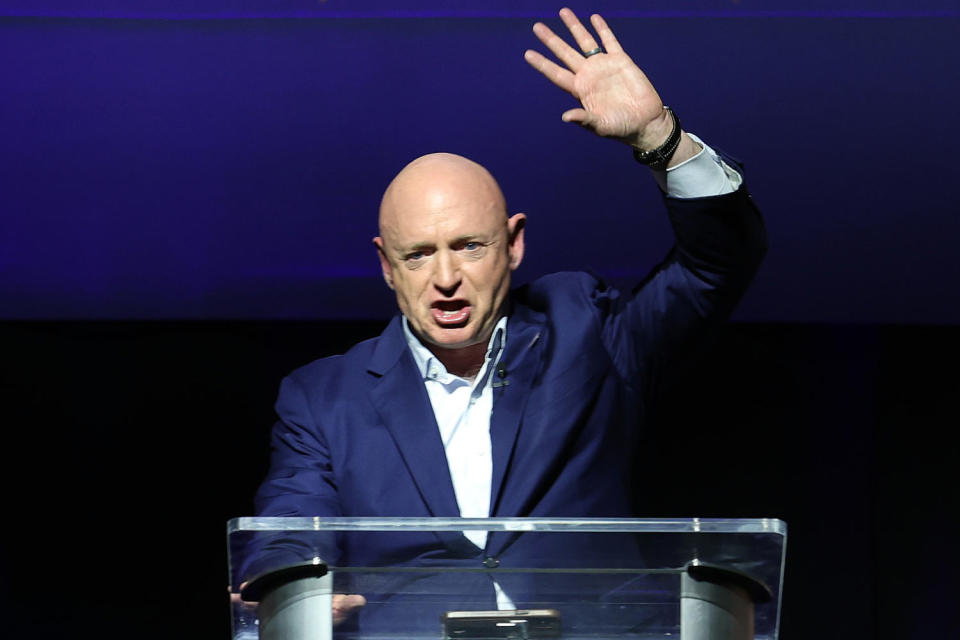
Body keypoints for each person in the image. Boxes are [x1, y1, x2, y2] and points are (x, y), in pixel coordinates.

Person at [241, 7, 766, 629]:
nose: (444, 278)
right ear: (386, 265)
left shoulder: (588, 334)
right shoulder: (324, 397)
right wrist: (286, 583)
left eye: (469, 246)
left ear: (513, 244)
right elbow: (290, 527)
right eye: (418, 254)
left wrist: (660, 138)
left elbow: (716, 266)